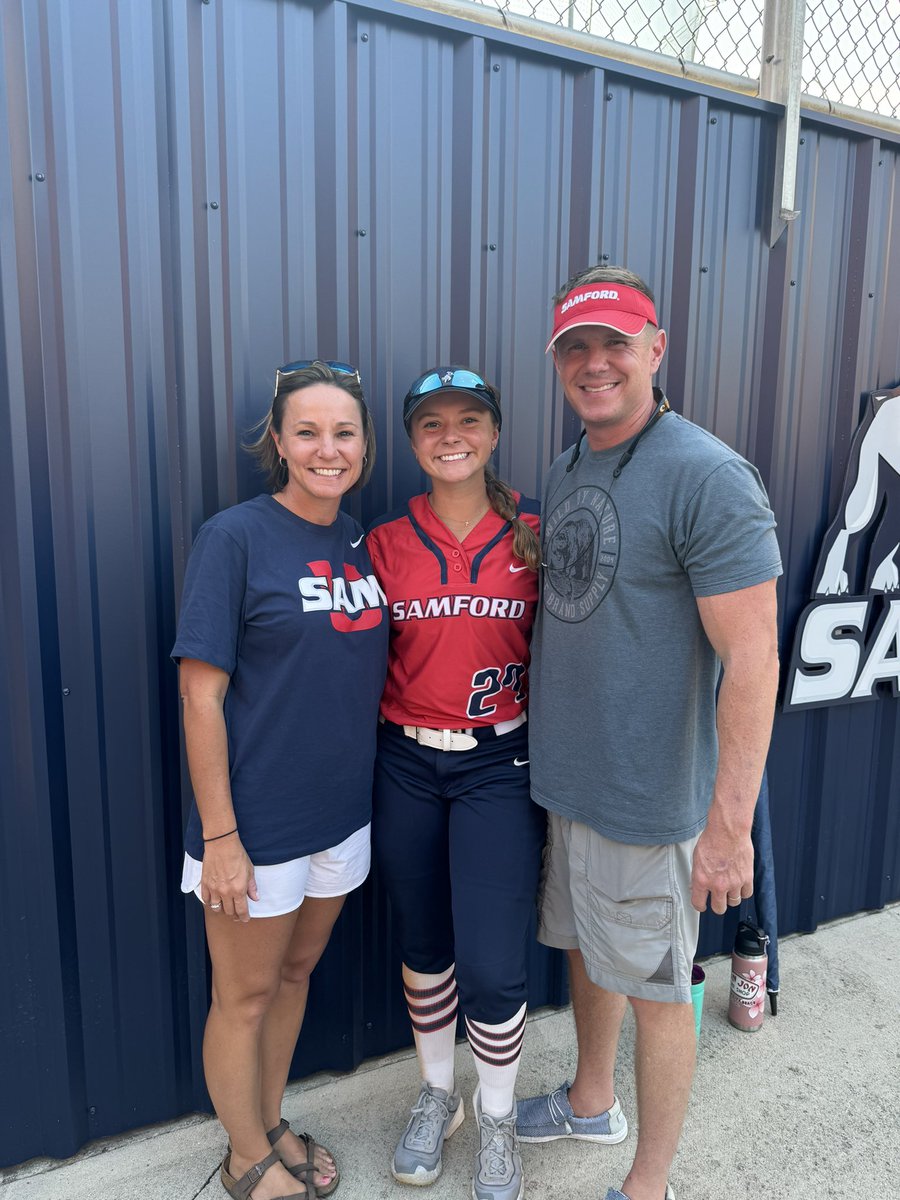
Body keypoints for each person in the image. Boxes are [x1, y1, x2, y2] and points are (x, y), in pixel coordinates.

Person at [516, 268, 782, 1200]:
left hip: (651, 800)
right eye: (575, 349)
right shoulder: (568, 464)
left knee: (661, 992)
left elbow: (753, 662)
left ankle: (649, 1185)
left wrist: (728, 826)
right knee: (590, 949)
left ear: (656, 349)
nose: (595, 365)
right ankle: (593, 1099)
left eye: (614, 344)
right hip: (571, 782)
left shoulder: (707, 474)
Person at [172, 361, 388, 1200]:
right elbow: (200, 693)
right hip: (254, 826)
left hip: (341, 816)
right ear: (278, 441)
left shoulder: (359, 541)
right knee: (245, 994)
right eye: (308, 431)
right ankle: (242, 1155)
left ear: (365, 447)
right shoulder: (235, 537)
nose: (326, 449)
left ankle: (269, 1119)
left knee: (293, 977)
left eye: (343, 433)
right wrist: (220, 839)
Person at [367, 367, 546, 1200]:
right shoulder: (381, 543)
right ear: (410, 441)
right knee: (425, 945)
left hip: (496, 763)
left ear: (494, 432)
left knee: (492, 963)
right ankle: (440, 1095)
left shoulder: (536, 535)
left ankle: (499, 1113)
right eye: (431, 422)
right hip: (405, 758)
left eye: (468, 419)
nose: (450, 435)